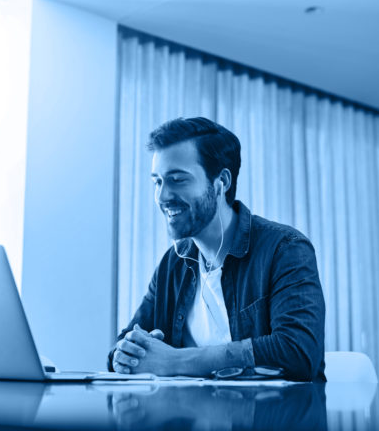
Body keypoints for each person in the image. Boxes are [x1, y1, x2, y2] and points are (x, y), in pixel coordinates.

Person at [108, 117, 326, 381]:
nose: (162, 197)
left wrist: (175, 360)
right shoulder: (172, 264)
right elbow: (127, 342)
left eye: (177, 179)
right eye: (158, 182)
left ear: (221, 181)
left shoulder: (285, 249)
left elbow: (297, 353)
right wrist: (125, 353)